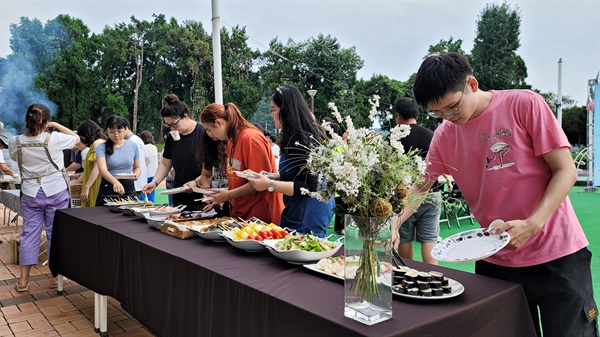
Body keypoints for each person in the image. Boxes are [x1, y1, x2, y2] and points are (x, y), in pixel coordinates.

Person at [396, 52, 597, 337]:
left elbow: (565, 170)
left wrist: (533, 224)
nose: (448, 118)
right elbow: (420, 186)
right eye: (437, 113)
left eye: (452, 107)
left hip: (557, 253)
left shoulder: (524, 104)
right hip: (496, 258)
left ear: (473, 84)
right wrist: (394, 222)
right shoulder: (444, 134)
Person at [8, 103, 79, 291]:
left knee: (29, 233)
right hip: (55, 190)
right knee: (55, 233)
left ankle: (23, 280)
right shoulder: (54, 138)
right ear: (45, 121)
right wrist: (54, 125)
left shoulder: (15, 141)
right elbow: (77, 139)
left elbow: (15, 158)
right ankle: (56, 276)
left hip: (30, 191)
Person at [247, 86, 333, 236]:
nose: (272, 115)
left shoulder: (299, 140)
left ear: (286, 110)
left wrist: (270, 185)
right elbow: (299, 174)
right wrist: (274, 176)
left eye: (274, 110)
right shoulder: (298, 137)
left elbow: (311, 186)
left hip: (306, 214)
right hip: (304, 211)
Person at [200, 102, 283, 223]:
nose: (209, 134)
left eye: (209, 129)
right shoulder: (231, 141)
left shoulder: (250, 138)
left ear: (219, 123)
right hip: (242, 215)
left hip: (261, 216)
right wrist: (224, 196)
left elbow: (259, 182)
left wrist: (228, 194)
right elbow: (238, 180)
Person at [391, 98, 442, 265]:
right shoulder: (431, 134)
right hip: (432, 193)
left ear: (398, 116)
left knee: (404, 238)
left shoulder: (394, 137)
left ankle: (408, 274)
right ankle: (434, 278)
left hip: (405, 195)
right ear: (417, 115)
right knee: (429, 238)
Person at [142, 94, 212, 211]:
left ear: (185, 117)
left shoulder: (203, 133)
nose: (172, 129)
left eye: (174, 124)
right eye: (168, 126)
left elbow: (211, 168)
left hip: (202, 194)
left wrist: (195, 182)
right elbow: (165, 164)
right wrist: (155, 182)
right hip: (180, 193)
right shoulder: (171, 137)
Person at [95, 116, 141, 206]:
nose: (116, 135)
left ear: (125, 130)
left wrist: (136, 173)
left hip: (128, 186)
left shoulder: (133, 146)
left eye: (119, 132)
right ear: (107, 131)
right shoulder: (101, 147)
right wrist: (115, 182)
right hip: (109, 185)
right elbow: (102, 170)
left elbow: (137, 167)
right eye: (112, 132)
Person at [75, 120, 107, 207]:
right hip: (96, 181)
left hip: (95, 183)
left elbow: (97, 167)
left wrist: (86, 187)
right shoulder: (101, 142)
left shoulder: (97, 143)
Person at [123, 122, 149, 198]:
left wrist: (135, 171)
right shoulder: (138, 139)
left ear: (126, 128)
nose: (117, 134)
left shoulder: (130, 141)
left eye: (119, 131)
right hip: (140, 182)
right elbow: (147, 159)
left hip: (133, 183)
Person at [140, 131, 158, 202]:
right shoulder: (154, 147)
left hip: (145, 174)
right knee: (151, 193)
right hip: (154, 173)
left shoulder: (143, 147)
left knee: (143, 192)